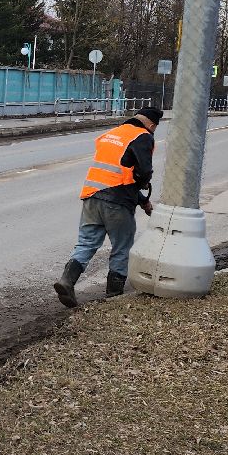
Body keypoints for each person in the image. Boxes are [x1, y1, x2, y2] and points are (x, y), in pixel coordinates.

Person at [54, 108, 161, 307]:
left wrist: (144, 202)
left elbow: (117, 176)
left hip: (92, 196)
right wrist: (143, 182)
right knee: (121, 247)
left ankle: (67, 281)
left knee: (86, 243)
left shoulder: (112, 134)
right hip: (117, 203)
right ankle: (114, 297)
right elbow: (143, 172)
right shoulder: (143, 136)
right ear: (152, 125)